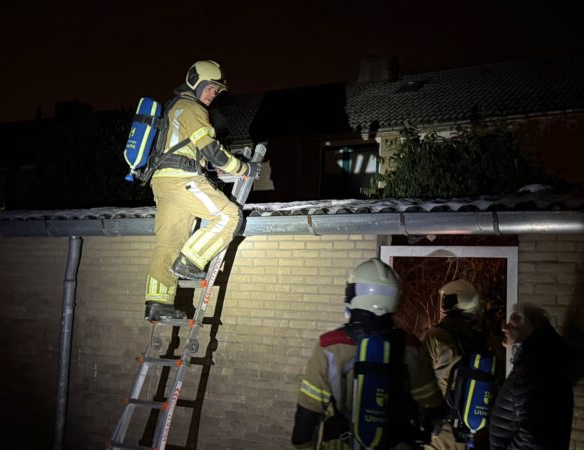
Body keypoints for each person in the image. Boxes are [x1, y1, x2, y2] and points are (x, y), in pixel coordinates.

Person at [143, 60, 261, 322]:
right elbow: (211, 149)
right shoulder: (191, 107)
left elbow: (191, 149)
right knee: (229, 216)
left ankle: (157, 302)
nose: (213, 95)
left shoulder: (174, 108)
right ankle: (191, 261)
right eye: (210, 88)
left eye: (217, 91)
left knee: (168, 242)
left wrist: (211, 168)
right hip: (181, 178)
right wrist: (243, 168)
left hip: (163, 180)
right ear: (195, 83)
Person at [291, 258, 445, 449]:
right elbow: (433, 409)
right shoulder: (412, 347)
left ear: (352, 294)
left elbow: (307, 414)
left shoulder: (330, 346)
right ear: (396, 298)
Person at [489, 303, 573, 450]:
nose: (504, 328)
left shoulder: (536, 369)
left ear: (528, 332)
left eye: (513, 324)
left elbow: (535, 436)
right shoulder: (534, 363)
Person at [422, 279, 484, 450]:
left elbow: (416, 379)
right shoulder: (482, 342)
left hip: (439, 432)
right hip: (471, 431)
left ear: (449, 302)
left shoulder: (436, 336)